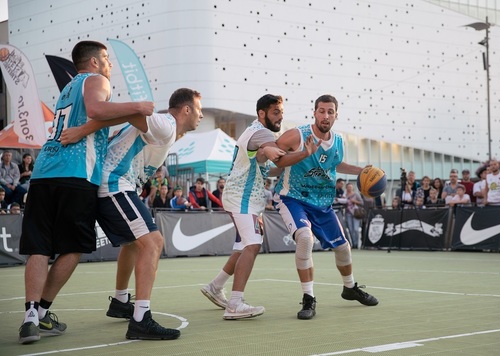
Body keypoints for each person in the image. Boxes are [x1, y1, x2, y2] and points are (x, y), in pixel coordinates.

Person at [17, 40, 155, 345]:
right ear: (93, 62)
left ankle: (31, 315)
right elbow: (97, 109)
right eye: (106, 58)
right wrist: (138, 106)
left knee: (39, 247)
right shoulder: (97, 81)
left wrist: (101, 123)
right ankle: (43, 309)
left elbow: (96, 117)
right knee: (73, 247)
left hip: (43, 172)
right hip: (77, 173)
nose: (109, 64)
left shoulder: (67, 89)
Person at [62, 87, 202, 339]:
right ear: (186, 109)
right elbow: (126, 113)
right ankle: (140, 319)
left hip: (114, 184)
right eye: (199, 110)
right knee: (153, 242)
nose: (201, 116)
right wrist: (83, 130)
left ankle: (120, 301)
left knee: (134, 243)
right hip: (114, 183)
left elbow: (125, 120)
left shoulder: (169, 129)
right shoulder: (165, 123)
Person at [201, 94, 319, 320]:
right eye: (275, 113)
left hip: (245, 199)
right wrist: (305, 153)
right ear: (262, 113)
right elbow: (279, 160)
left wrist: (279, 156)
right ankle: (235, 304)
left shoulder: (255, 132)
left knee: (243, 247)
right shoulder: (262, 133)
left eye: (281, 113)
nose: (279, 117)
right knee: (253, 245)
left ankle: (215, 287)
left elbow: (270, 167)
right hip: (241, 198)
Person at [273, 94, 378, 320]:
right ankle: (308, 297)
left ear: (336, 115)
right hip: (293, 197)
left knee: (343, 248)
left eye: (330, 112)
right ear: (314, 112)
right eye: (322, 111)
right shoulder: (297, 134)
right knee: (305, 239)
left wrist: (361, 171)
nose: (326, 115)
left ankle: (349, 288)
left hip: (322, 203)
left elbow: (336, 164)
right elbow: (274, 156)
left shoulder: (338, 141)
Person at [344, 183, 365, 249]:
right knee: (350, 229)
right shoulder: (344, 195)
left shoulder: (356, 194)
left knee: (356, 229)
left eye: (351, 187)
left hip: (356, 213)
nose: (349, 188)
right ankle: (353, 243)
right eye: (348, 187)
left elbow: (362, 202)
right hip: (348, 213)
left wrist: (354, 201)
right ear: (346, 188)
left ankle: (356, 243)